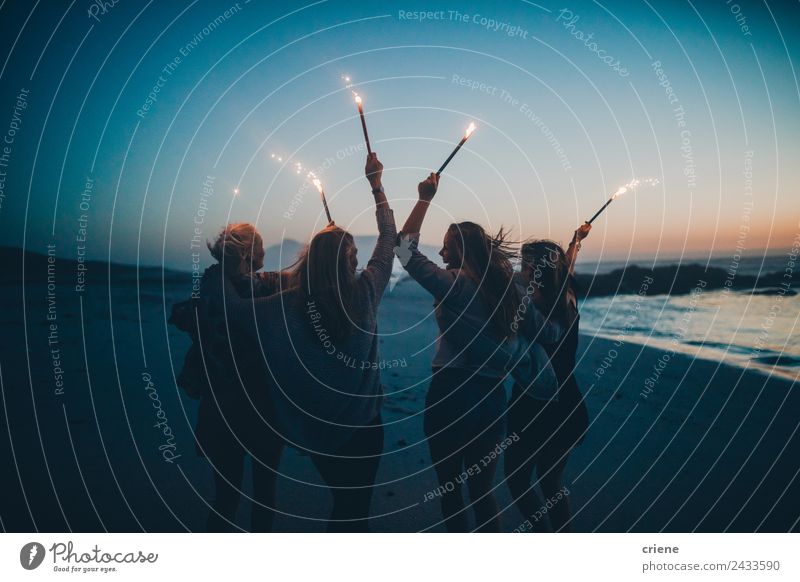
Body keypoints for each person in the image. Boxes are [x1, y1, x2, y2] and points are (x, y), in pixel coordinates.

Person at [209, 153, 395, 532]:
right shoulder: (367, 291)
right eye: (354, 257)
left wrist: (221, 270)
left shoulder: (283, 306)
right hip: (364, 430)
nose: (359, 264)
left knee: (344, 507)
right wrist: (376, 185)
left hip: (320, 441)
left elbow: (230, 306)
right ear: (344, 263)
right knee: (353, 511)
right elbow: (390, 238)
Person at [395, 173, 562, 532]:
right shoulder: (512, 293)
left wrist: (425, 198)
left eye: (447, 247)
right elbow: (551, 333)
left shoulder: (455, 286)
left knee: (451, 492)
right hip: (491, 399)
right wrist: (559, 295)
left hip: (452, 394)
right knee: (483, 493)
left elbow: (404, 250)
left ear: (464, 251)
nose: (441, 253)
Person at [170, 223, 288, 532]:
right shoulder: (258, 290)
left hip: (219, 407)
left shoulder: (209, 289)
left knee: (225, 497)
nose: (265, 252)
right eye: (261, 247)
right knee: (264, 495)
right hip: (259, 407)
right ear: (248, 253)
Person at [504, 223, 592, 532]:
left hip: (535, 403)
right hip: (568, 402)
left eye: (524, 262)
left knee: (516, 479)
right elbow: (564, 269)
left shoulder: (531, 307)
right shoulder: (566, 295)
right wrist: (575, 243)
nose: (520, 268)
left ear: (533, 268)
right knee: (551, 480)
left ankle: (543, 535)